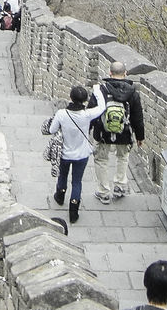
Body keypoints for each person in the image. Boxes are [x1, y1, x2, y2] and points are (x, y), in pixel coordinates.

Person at [48, 84, 105, 224]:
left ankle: (60, 197)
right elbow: (102, 107)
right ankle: (73, 212)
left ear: (71, 98)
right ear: (85, 100)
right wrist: (97, 90)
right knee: (77, 182)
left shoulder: (62, 113)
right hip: (81, 155)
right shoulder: (87, 115)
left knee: (62, 176)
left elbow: (51, 129)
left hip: (65, 154)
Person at [90, 61, 145, 203]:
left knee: (101, 159)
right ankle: (120, 186)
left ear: (110, 73)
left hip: (103, 132)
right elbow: (137, 117)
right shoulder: (132, 92)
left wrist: (87, 130)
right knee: (122, 157)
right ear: (125, 73)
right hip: (124, 132)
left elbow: (91, 111)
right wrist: (140, 136)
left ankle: (103, 192)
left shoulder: (101, 90)